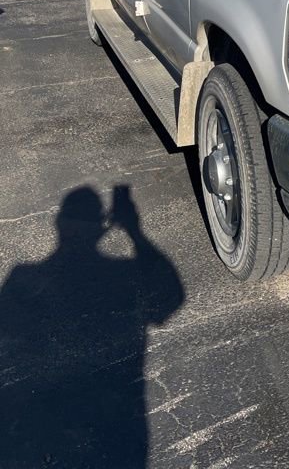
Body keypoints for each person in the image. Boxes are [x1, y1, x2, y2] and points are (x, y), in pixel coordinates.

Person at [0, 185, 184, 468]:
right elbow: (171, 297)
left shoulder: (22, 280)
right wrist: (135, 233)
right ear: (103, 227)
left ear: (59, 225)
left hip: (38, 427)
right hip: (115, 423)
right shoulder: (123, 276)